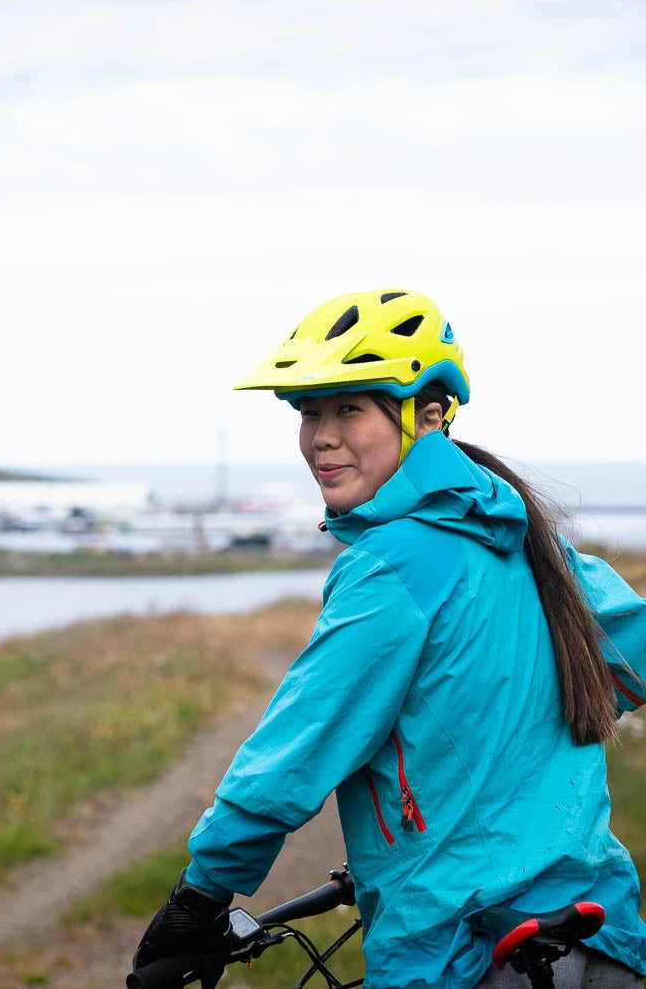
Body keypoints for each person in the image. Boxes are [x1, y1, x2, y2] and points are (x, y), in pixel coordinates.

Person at [131, 289, 646, 989]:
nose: (321, 436)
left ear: (428, 415)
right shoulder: (527, 535)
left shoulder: (392, 564)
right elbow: (632, 655)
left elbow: (297, 750)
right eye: (310, 412)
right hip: (597, 931)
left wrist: (200, 897)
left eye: (349, 408)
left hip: (461, 947)